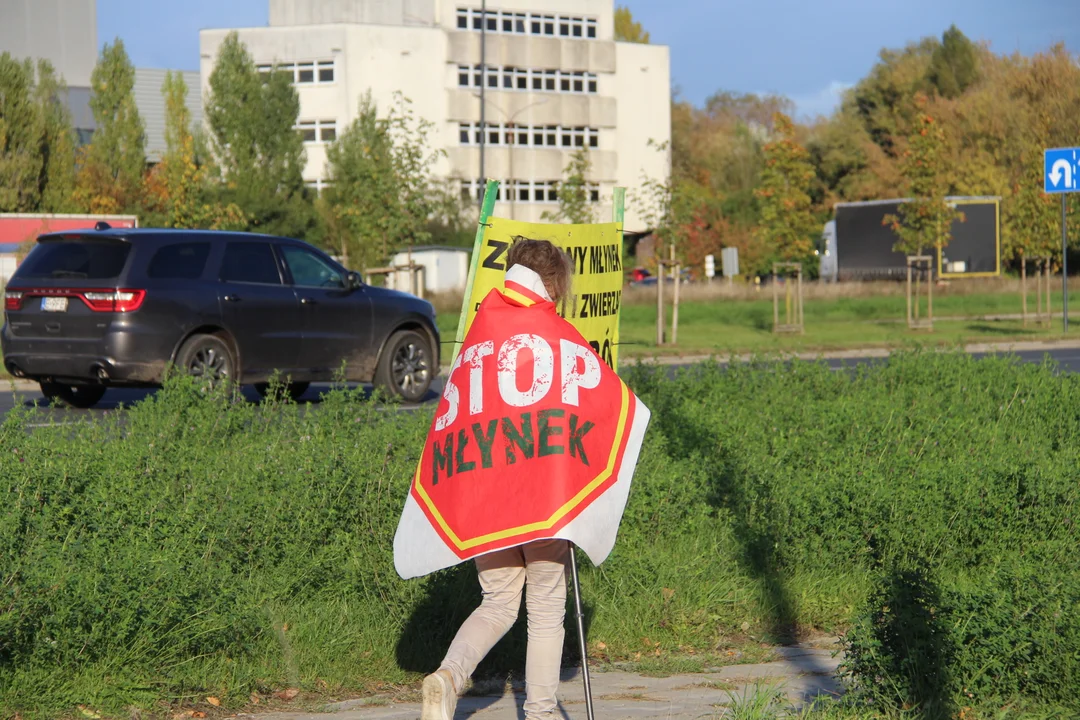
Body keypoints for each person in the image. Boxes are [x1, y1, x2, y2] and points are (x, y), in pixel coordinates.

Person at [421, 238, 575, 720]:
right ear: (552, 283)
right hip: (542, 496)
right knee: (546, 606)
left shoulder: (478, 335)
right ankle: (542, 712)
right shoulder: (558, 335)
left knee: (498, 601)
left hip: (486, 495)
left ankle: (448, 678)